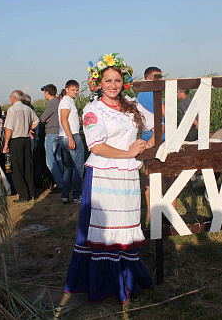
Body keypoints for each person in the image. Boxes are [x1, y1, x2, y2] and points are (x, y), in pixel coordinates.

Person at [64, 59, 155, 303]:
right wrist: (129, 152)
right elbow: (96, 145)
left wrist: (147, 144)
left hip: (127, 175)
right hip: (104, 173)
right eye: (108, 81)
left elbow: (159, 124)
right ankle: (105, 283)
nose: (113, 85)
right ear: (98, 84)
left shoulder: (132, 105)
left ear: (123, 82)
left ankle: (127, 278)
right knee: (106, 228)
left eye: (117, 80)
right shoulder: (93, 110)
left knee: (124, 224)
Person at [136, 67, 166, 220]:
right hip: (156, 136)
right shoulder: (149, 92)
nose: (160, 80)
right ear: (148, 79)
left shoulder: (142, 93)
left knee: (151, 174)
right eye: (157, 77)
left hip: (150, 134)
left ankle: (151, 212)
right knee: (156, 175)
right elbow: (166, 113)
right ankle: (155, 212)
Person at [3, 90, 40, 202]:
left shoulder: (12, 110)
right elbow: (37, 120)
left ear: (13, 98)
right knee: (27, 166)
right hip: (26, 139)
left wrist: (5, 144)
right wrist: (30, 128)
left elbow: (9, 128)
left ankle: (23, 195)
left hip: (16, 140)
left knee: (17, 169)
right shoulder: (27, 109)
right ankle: (31, 192)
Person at [59, 80, 84, 204]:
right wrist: (70, 137)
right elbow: (63, 119)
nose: (75, 92)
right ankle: (76, 195)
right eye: (73, 89)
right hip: (71, 136)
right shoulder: (66, 101)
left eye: (77, 89)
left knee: (69, 167)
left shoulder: (68, 101)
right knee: (78, 167)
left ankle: (65, 195)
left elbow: (66, 118)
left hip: (66, 136)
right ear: (67, 89)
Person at [39, 84, 63, 194]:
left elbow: (42, 119)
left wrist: (45, 118)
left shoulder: (52, 103)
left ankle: (59, 184)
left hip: (51, 134)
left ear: (47, 92)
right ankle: (63, 182)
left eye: (44, 92)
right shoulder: (59, 102)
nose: (44, 94)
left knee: (50, 161)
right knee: (58, 159)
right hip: (58, 133)